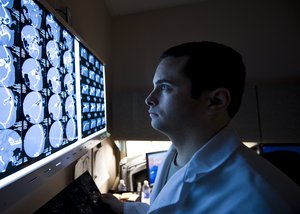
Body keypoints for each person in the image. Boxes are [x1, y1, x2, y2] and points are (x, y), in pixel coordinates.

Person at [102, 41, 300, 213]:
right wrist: (126, 209)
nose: (149, 99)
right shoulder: (177, 155)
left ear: (216, 101)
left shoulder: (263, 200)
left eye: (165, 87)